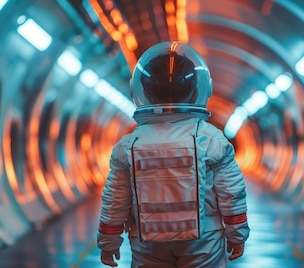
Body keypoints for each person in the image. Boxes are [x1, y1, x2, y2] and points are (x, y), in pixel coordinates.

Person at [96, 41, 249, 267]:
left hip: (147, 242)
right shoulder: (211, 139)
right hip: (203, 241)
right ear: (198, 90)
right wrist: (237, 235)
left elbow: (115, 201)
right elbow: (231, 193)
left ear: (142, 90)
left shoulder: (128, 145)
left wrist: (109, 240)